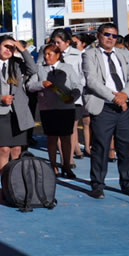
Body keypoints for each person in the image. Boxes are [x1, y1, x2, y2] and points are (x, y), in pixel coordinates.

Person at [82, 23, 129, 199]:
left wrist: (124, 95)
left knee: (126, 147)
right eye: (107, 34)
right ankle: (97, 185)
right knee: (100, 147)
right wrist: (114, 97)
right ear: (98, 35)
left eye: (114, 36)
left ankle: (128, 183)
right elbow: (92, 81)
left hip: (124, 107)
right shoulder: (89, 54)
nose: (110, 38)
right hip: (103, 106)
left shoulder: (125, 54)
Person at [0, 37, 37, 171]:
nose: (8, 50)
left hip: (18, 112)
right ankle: (5, 180)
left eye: (12, 48)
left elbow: (33, 69)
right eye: (6, 46)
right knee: (4, 149)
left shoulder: (17, 63)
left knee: (16, 149)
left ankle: (14, 179)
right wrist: (0, 98)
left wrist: (22, 49)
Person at [27, 44, 82, 177]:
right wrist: (41, 84)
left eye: (49, 54)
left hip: (66, 107)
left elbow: (77, 84)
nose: (46, 57)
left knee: (66, 139)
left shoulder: (67, 68)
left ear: (57, 55)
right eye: (45, 54)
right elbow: (29, 86)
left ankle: (66, 165)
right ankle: (53, 165)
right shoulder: (40, 69)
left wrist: (74, 95)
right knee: (51, 138)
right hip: (48, 108)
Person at [47, 29, 85, 164]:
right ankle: (64, 159)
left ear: (67, 42)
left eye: (58, 42)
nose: (55, 45)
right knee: (57, 131)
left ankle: (68, 160)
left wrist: (75, 92)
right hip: (53, 97)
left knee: (71, 128)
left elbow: (82, 76)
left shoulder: (78, 55)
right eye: (54, 42)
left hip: (72, 97)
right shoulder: (48, 53)